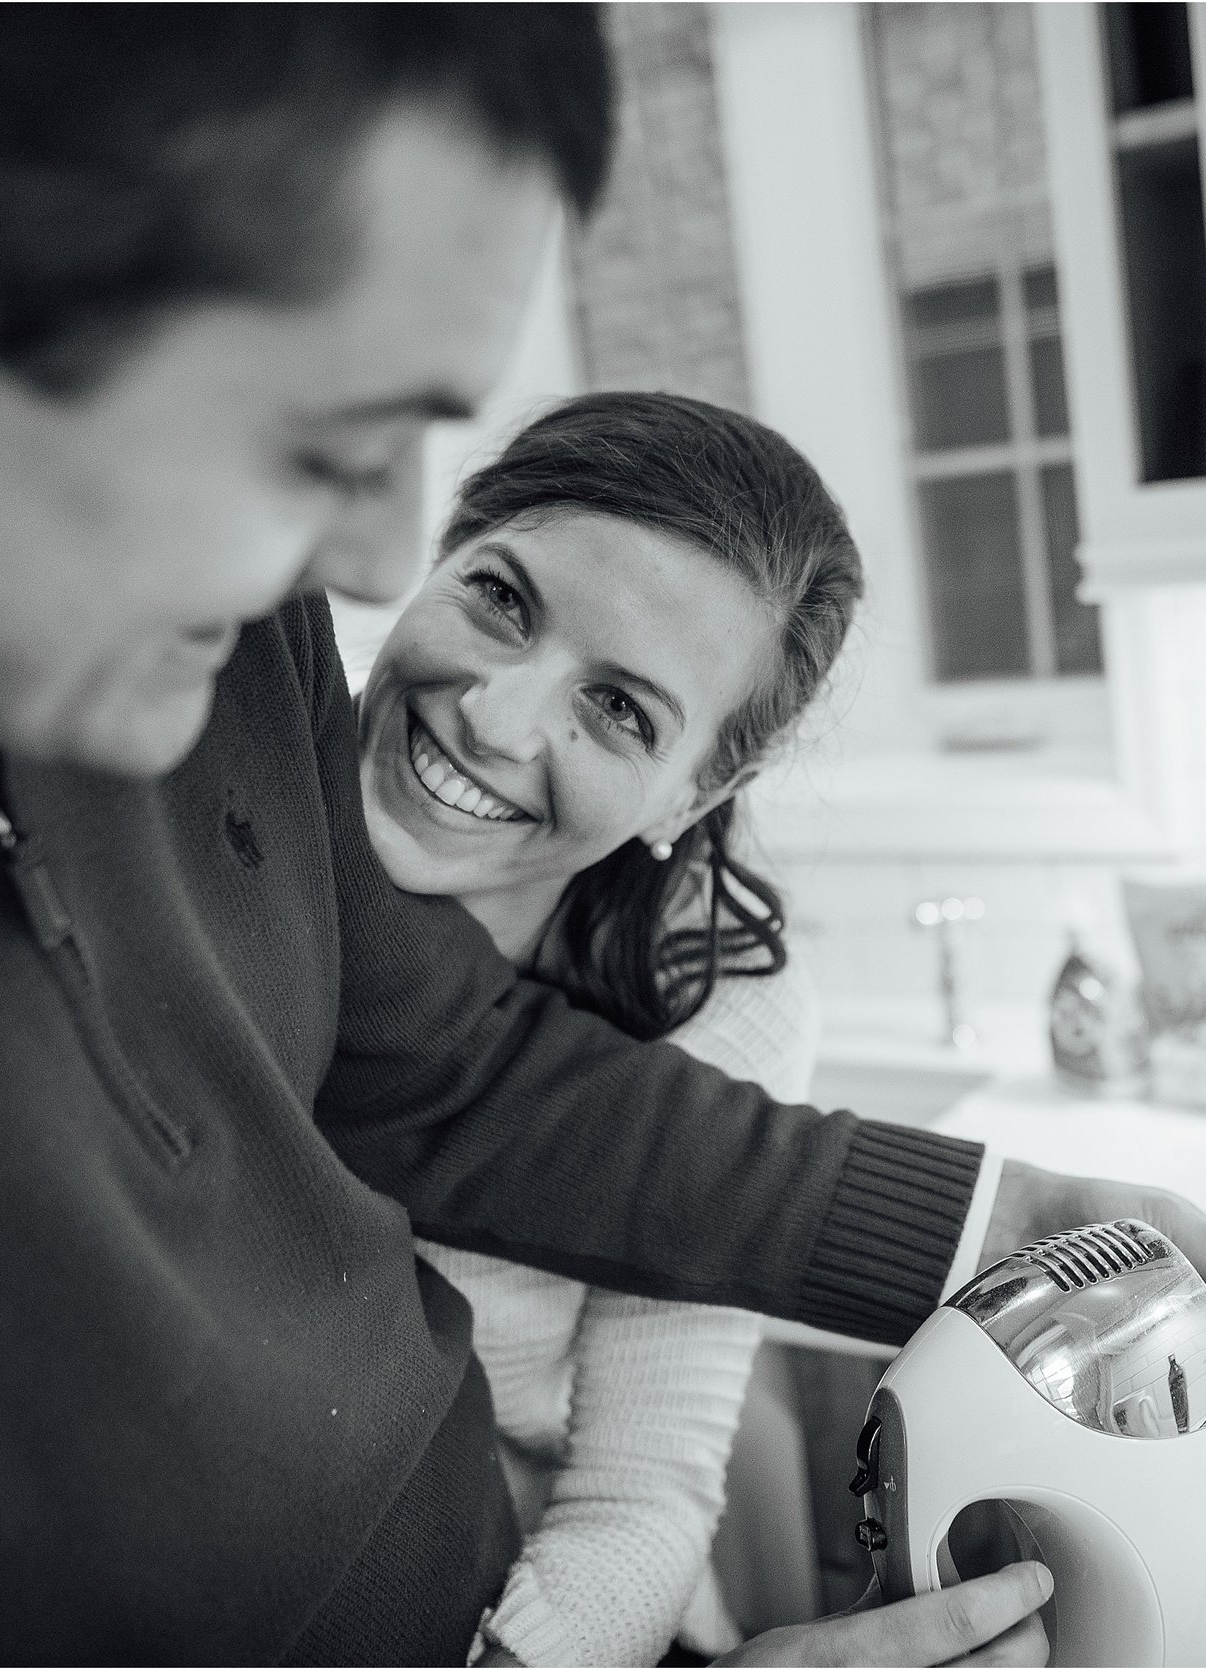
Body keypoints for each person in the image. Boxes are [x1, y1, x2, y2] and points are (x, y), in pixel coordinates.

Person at [0, 9, 1206, 1664]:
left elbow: (465, 1077)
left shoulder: (184, 647)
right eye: (322, 438)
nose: (366, 566)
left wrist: (1009, 1212)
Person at [356, 389, 859, 1664]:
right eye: (502, 600)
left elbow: (638, 1494)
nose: (496, 718)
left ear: (698, 788)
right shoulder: (223, 830)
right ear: (440, 552)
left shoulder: (723, 1013)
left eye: (620, 710)